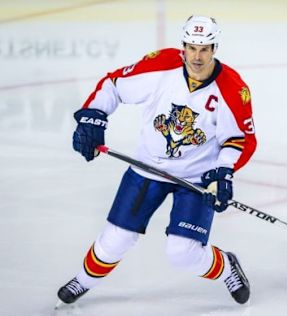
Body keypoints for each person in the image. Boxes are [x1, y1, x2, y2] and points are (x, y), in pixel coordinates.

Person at [56, 15, 257, 306]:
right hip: (146, 169)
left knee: (183, 253)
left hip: (196, 180)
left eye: (204, 49)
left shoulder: (232, 89)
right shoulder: (161, 66)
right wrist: (93, 117)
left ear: (214, 48)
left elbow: (239, 139)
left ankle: (226, 267)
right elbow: (113, 85)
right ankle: (83, 280)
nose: (197, 56)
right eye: (191, 47)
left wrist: (224, 172)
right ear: (183, 46)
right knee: (115, 241)